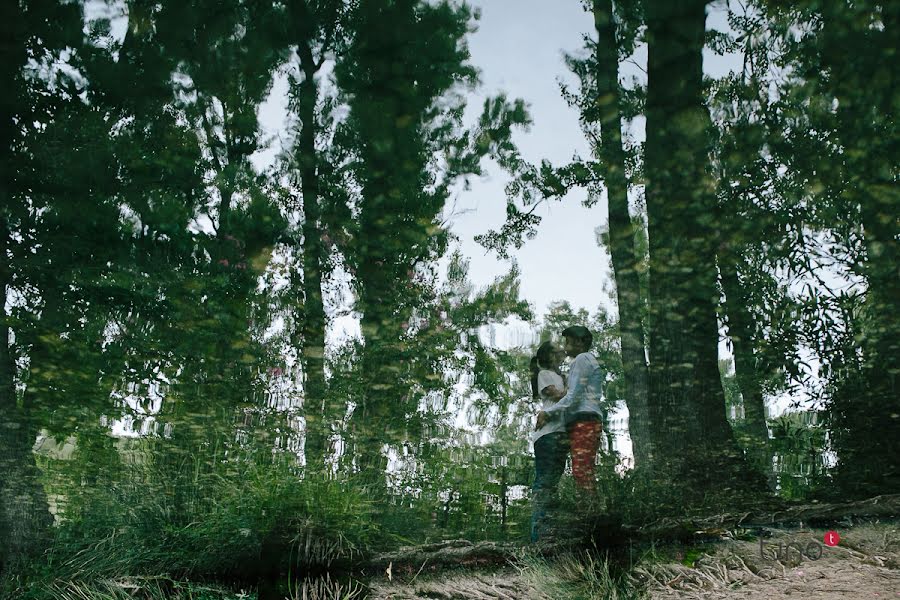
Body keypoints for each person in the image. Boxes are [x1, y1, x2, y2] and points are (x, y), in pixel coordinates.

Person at [536, 325, 604, 499]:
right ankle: (589, 513)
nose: (565, 347)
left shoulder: (582, 359)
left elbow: (572, 396)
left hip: (585, 421)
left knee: (582, 471)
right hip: (582, 421)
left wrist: (548, 413)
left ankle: (591, 515)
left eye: (568, 342)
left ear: (580, 342)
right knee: (582, 470)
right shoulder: (584, 360)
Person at [529, 341, 568, 542]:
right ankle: (538, 536)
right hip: (547, 435)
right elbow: (560, 396)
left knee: (553, 484)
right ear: (549, 356)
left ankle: (550, 534)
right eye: (556, 349)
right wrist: (575, 388)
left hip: (561, 435)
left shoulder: (562, 376)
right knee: (544, 483)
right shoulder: (545, 374)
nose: (561, 351)